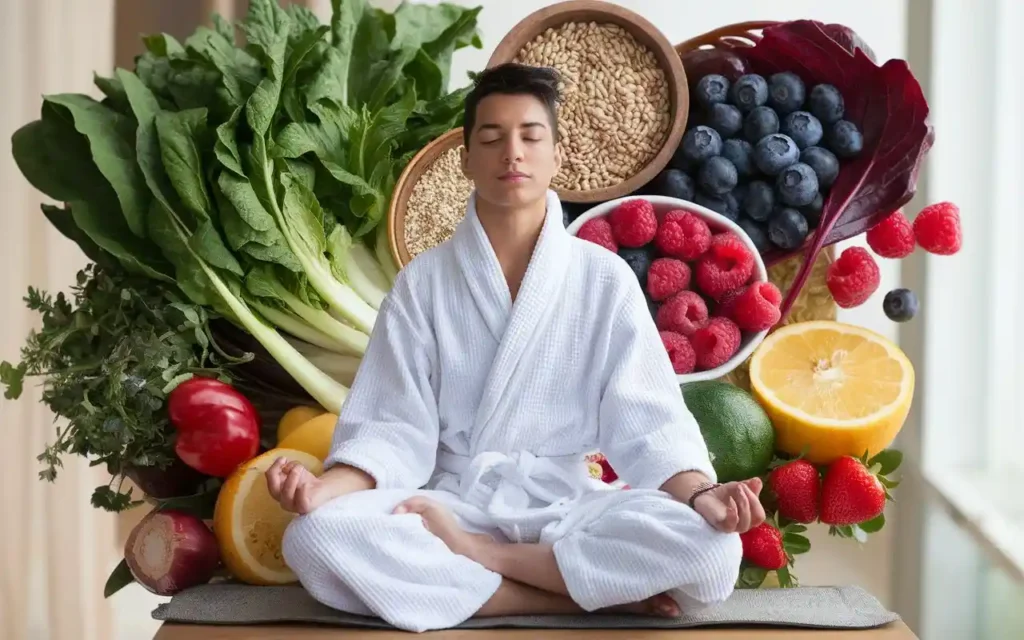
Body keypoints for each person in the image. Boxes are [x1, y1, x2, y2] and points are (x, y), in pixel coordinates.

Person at [266, 62, 766, 633]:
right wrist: (319, 490)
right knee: (313, 538)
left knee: (712, 553)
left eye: (531, 136)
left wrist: (704, 496)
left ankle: (491, 564)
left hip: (569, 504)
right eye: (491, 137)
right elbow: (390, 428)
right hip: (448, 505)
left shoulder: (603, 278)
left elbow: (648, 426)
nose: (513, 154)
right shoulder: (423, 285)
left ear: (557, 156)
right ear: (466, 159)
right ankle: (564, 596)